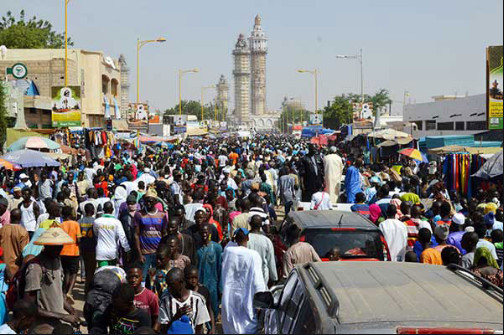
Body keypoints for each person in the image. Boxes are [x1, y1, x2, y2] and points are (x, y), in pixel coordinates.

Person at [24, 227, 80, 328]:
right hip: (42, 327)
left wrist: (72, 311)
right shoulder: (35, 267)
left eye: (60, 246)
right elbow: (29, 307)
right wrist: (63, 316)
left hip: (56, 324)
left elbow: (57, 294)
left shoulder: (57, 261)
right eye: (54, 247)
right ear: (46, 245)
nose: (58, 249)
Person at [221, 228, 266, 334]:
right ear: (248, 238)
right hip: (247, 299)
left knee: (230, 326)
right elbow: (258, 281)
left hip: (229, 298)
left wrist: (233, 240)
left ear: (235, 239)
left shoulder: (228, 251)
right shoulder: (253, 255)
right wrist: (260, 301)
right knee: (246, 325)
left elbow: (228, 246)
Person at [159, 268, 210, 334]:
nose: (168, 288)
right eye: (167, 285)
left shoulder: (197, 299)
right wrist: (176, 317)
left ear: (181, 282)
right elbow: (163, 329)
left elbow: (198, 328)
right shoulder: (165, 300)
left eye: (171, 285)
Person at [134, 189, 168, 279]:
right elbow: (136, 235)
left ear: (156, 202)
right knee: (143, 278)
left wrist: (164, 252)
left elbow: (164, 234)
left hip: (158, 253)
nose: (148, 203)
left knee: (158, 278)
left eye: (150, 201)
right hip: (145, 253)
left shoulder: (162, 215)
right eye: (146, 201)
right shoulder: (139, 214)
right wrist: (139, 254)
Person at [196, 224, 222, 319]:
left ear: (210, 233)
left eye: (206, 232)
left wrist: (220, 287)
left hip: (213, 284)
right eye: (202, 232)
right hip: (200, 284)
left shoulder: (217, 248)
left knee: (213, 308)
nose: (204, 234)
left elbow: (220, 268)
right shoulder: (198, 249)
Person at [94, 202, 131, 267]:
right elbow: (122, 237)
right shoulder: (117, 222)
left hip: (101, 252)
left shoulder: (97, 222)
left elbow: (96, 233)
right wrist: (127, 249)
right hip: (112, 252)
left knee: (103, 273)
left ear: (103, 209)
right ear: (113, 209)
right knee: (111, 273)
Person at [127, 264, 160, 333]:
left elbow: (157, 318)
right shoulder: (124, 294)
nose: (133, 280)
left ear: (142, 277)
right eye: (131, 277)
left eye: (136, 277)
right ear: (127, 278)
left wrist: (152, 332)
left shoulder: (151, 296)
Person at [184, 266, 216, 334]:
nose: (193, 281)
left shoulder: (204, 291)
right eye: (190, 278)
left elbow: (209, 309)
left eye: (195, 278)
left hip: (202, 326)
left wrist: (213, 327)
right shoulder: (184, 292)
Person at [60, 206, 82, 302]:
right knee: (74, 273)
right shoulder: (75, 224)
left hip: (63, 252)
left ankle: (64, 292)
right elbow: (78, 239)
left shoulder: (61, 225)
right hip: (74, 251)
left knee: (66, 273)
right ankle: (69, 292)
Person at [247, 215, 278, 285]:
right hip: (262, 278)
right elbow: (271, 261)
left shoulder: (245, 239)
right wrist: (274, 278)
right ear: (261, 225)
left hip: (247, 276)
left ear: (250, 224)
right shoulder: (267, 241)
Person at [0, 208, 29, 277]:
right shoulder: (23, 232)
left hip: (2, 267)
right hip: (15, 269)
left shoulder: (2, 229)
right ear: (20, 218)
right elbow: (24, 253)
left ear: (10, 217)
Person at [79, 203, 97, 293]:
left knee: (86, 268)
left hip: (83, 247)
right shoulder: (95, 221)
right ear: (93, 211)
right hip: (92, 248)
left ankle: (87, 287)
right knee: (91, 270)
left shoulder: (80, 221)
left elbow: (78, 236)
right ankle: (88, 288)